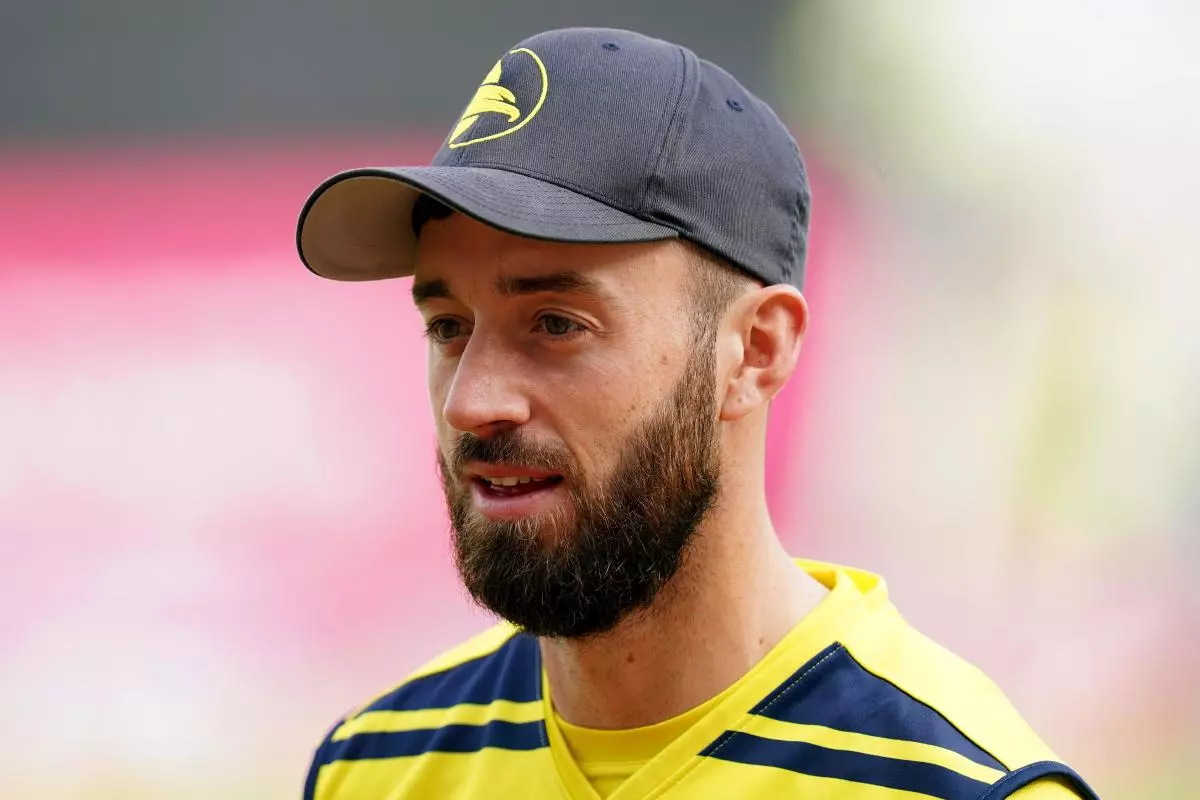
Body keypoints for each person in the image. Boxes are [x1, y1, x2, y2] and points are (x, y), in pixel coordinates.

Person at [295, 27, 1099, 800]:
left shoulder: (950, 785)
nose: (473, 401)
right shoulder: (373, 769)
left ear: (755, 352)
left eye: (557, 324)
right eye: (448, 328)